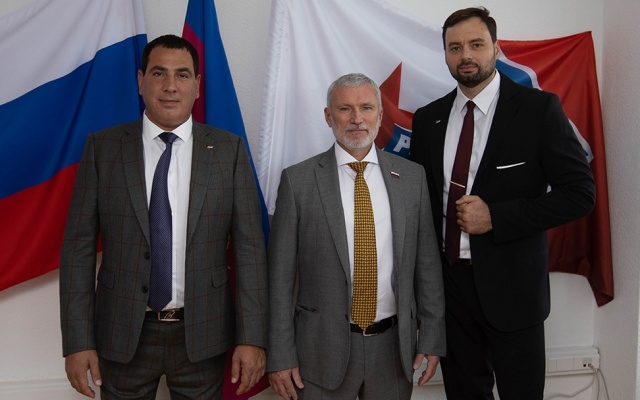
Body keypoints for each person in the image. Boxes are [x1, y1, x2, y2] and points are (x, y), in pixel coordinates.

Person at [59, 34, 268, 399]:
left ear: (197, 86)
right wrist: (78, 342)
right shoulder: (102, 149)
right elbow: (78, 250)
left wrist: (252, 338)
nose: (171, 86)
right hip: (122, 333)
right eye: (159, 73)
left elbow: (250, 251)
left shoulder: (229, 151)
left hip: (203, 335)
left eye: (182, 75)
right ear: (141, 81)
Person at [410, 7, 596, 399]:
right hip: (450, 292)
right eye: (455, 47)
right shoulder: (428, 119)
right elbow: (420, 205)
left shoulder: (538, 110)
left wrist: (496, 217)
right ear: (445, 54)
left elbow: (580, 194)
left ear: (496, 48)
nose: (466, 55)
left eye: (476, 44)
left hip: (514, 291)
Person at [266, 73, 445, 400]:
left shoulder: (411, 178)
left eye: (366, 107)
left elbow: (427, 266)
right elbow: (280, 278)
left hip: (393, 351)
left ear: (380, 114)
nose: (357, 118)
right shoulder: (298, 181)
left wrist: (431, 338)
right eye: (345, 109)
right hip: (319, 351)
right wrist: (280, 355)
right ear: (328, 116)